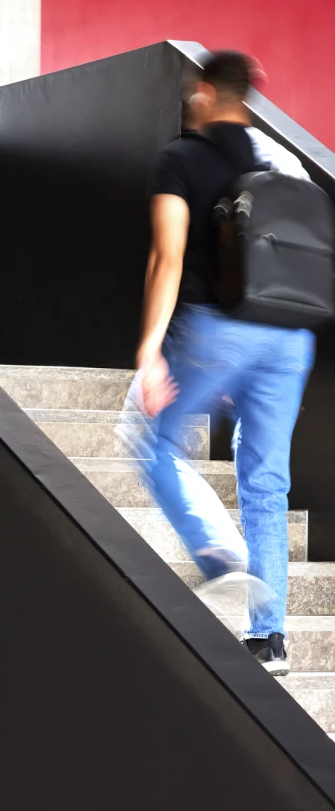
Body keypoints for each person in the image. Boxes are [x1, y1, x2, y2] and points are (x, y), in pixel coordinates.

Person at [138, 49, 315, 676]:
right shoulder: (283, 160)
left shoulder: (180, 159)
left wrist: (151, 349)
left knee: (151, 441)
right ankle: (270, 639)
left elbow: (168, 256)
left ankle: (220, 557)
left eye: (194, 90)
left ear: (208, 92)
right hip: (291, 338)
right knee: (267, 483)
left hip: (219, 332)